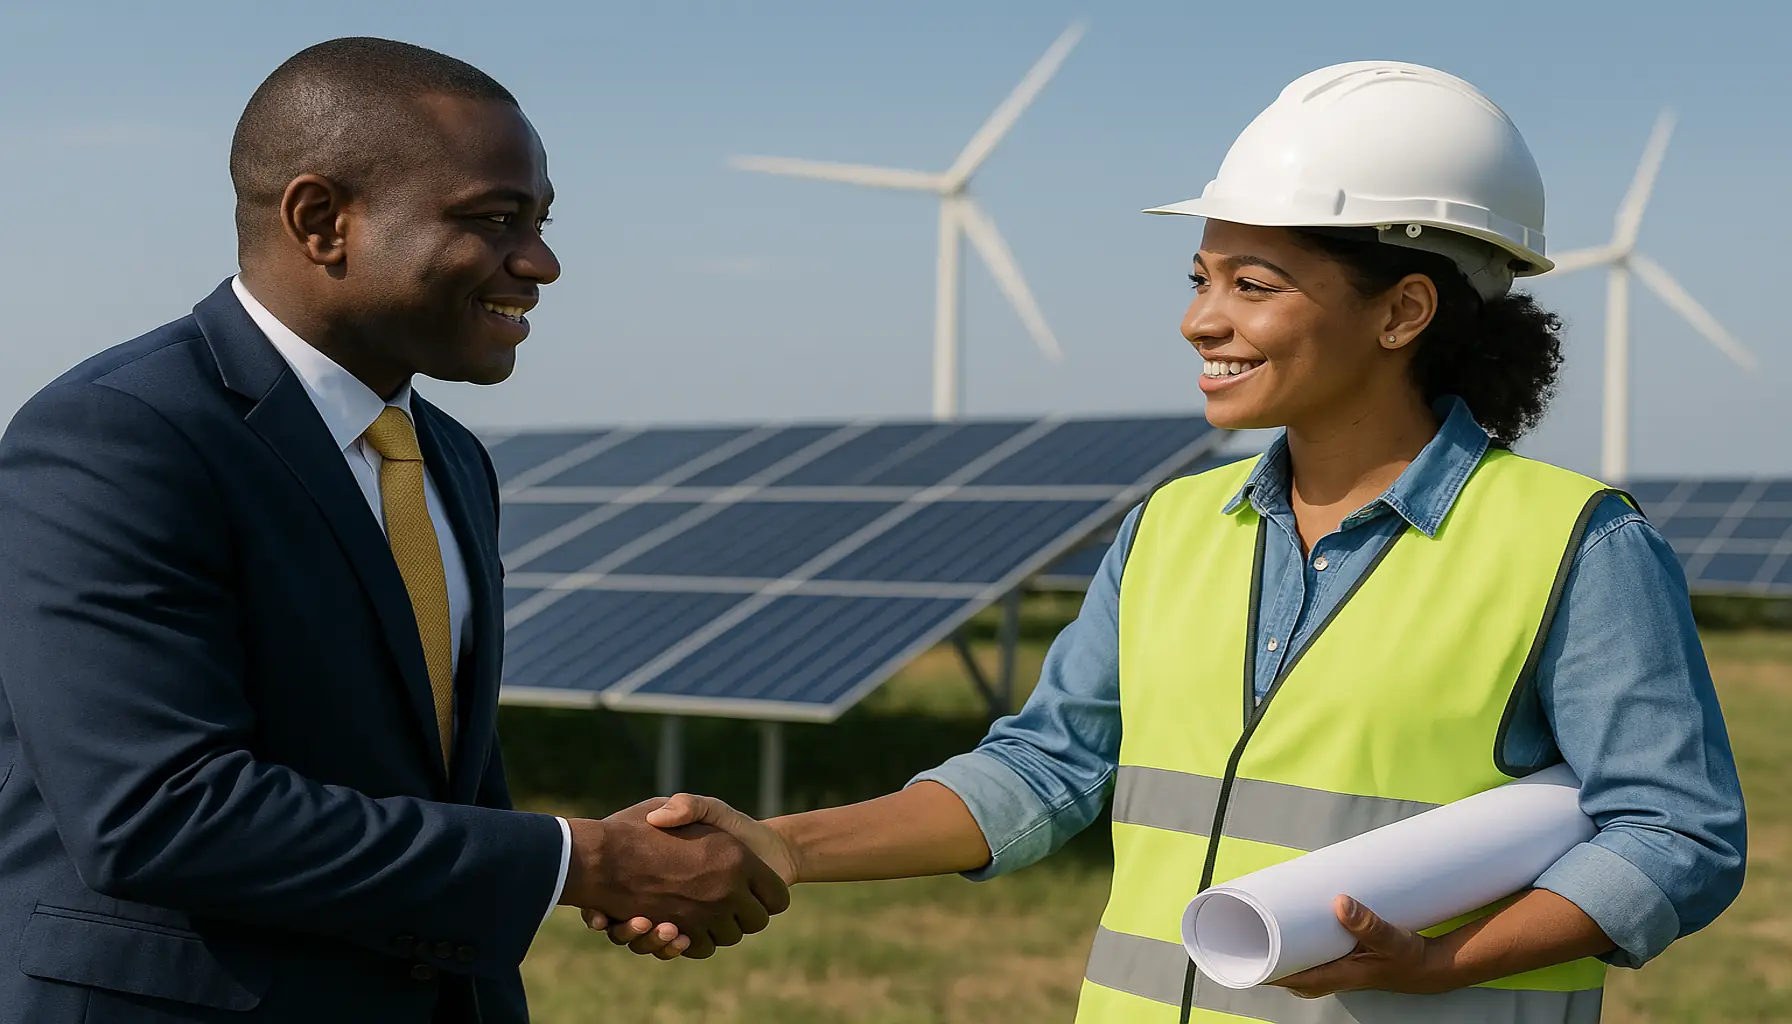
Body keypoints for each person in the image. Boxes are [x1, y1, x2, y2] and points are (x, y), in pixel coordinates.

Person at [592, 62, 1747, 1023]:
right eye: (1199, 277)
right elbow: (1043, 770)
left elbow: (1675, 833)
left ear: (1403, 310)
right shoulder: (1171, 528)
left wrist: (1440, 964)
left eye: (1254, 283)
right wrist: (782, 844)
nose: (1201, 317)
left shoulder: (1571, 542)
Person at [0, 37, 786, 1024]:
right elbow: (157, 813)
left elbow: (432, 776)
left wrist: (575, 868)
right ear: (322, 220)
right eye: (495, 220)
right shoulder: (121, 435)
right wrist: (577, 860)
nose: (540, 262)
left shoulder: (448, 458)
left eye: (541, 222)